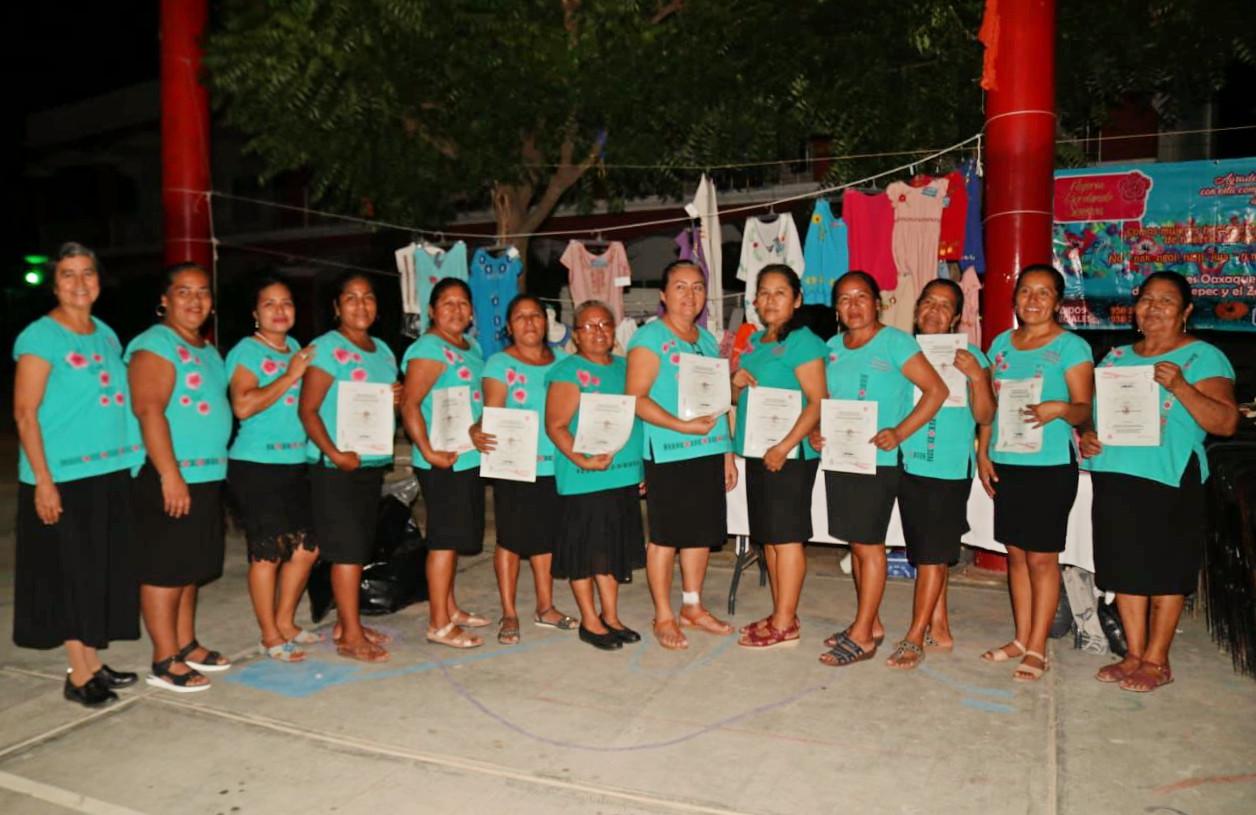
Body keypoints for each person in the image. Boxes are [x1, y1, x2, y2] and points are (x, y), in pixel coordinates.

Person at [1080, 272, 1238, 692]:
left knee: (1165, 571)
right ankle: (1133, 654)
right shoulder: (1114, 358)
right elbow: (1095, 418)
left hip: (1168, 476)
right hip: (1115, 475)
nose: (1153, 307)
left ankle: (1158, 659)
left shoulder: (1203, 357)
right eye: (1146, 299)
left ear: (1185, 312)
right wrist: (1089, 436)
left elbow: (1225, 422)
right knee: (1125, 570)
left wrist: (1181, 386)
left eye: (1166, 301)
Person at [12, 243, 143, 706]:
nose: (79, 283)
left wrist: (134, 455)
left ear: (99, 281)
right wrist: (43, 480)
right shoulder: (40, 336)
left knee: (99, 572)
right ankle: (78, 672)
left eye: (88, 273)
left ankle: (93, 660)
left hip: (108, 469)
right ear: (54, 284)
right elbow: (25, 413)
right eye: (68, 275)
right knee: (72, 574)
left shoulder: (106, 333)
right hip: (64, 475)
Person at [811, 271, 948, 668]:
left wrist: (900, 432)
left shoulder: (896, 342)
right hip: (841, 459)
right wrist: (819, 433)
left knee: (870, 546)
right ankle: (869, 623)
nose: (853, 306)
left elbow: (937, 391)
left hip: (879, 461)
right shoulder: (832, 347)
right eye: (844, 299)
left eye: (861, 297)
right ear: (836, 308)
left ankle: (862, 636)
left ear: (878, 303)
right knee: (855, 544)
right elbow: (825, 401)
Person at [977, 264, 1094, 682]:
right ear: (1015, 299)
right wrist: (983, 450)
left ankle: (1039, 647)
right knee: (1016, 557)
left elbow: (1084, 408)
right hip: (1008, 462)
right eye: (1026, 291)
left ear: (1058, 302)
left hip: (1050, 467)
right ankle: (1022, 638)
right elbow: (990, 405)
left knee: (1043, 559)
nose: (1033, 300)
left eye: (1044, 293)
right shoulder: (1001, 345)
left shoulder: (1071, 347)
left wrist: (1060, 409)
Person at [127, 262, 233, 692]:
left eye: (203, 292)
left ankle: (186, 643)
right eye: (184, 292)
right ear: (165, 300)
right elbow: (149, 410)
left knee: (190, 566)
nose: (195, 300)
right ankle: (164, 658)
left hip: (206, 473)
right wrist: (169, 474)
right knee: (164, 569)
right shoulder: (155, 345)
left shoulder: (207, 350)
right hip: (167, 474)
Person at [626, 260, 737, 650]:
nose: (690, 295)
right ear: (663, 294)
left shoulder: (707, 340)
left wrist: (726, 451)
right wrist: (681, 426)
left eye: (697, 287)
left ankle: (692, 606)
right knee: (666, 537)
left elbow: (719, 403)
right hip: (669, 451)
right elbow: (635, 399)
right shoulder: (649, 339)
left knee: (700, 535)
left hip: (707, 450)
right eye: (680, 287)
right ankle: (664, 615)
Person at [888, 278, 995, 669]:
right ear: (917, 309)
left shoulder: (972, 357)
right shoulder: (902, 350)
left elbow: (985, 416)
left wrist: (977, 377)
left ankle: (914, 637)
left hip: (947, 467)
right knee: (928, 548)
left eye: (944, 306)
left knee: (932, 554)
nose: (934, 311)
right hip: (905, 460)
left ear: (955, 317)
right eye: (928, 303)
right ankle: (941, 627)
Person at [299, 273, 400, 663]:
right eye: (351, 298)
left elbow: (380, 404)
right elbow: (307, 410)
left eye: (368, 297)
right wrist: (335, 453)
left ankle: (347, 622)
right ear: (337, 307)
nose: (361, 305)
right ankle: (350, 636)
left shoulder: (383, 352)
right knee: (346, 550)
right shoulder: (326, 348)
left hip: (369, 461)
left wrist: (396, 398)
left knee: (358, 545)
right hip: (335, 465)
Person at [731, 264, 827, 650]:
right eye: (764, 293)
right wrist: (734, 383)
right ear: (754, 300)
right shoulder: (754, 343)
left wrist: (784, 447)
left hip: (789, 455)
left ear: (797, 299)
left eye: (780, 293)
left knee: (786, 539)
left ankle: (786, 622)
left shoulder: (804, 341)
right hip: (758, 450)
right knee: (769, 538)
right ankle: (780, 612)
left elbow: (818, 401)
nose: (771, 300)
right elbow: (744, 398)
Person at [473, 294, 577, 645]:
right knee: (511, 540)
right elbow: (493, 409)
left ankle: (545, 608)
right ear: (509, 325)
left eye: (536, 315)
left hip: (556, 465)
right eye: (520, 317)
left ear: (547, 322)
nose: (529, 322)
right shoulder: (499, 364)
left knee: (546, 538)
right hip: (514, 466)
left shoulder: (564, 362)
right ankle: (509, 612)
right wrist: (478, 427)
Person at [225, 276, 319, 662]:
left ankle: (286, 621)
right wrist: (291, 375)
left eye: (287, 303)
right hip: (256, 464)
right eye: (270, 304)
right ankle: (269, 635)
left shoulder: (295, 348)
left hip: (295, 461)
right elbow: (243, 406)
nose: (280, 311)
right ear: (255, 313)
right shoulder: (246, 351)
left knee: (308, 547)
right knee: (267, 553)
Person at [545, 300, 646, 651]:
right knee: (585, 551)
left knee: (611, 551)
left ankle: (612, 616)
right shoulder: (567, 371)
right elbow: (555, 426)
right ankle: (589, 620)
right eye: (589, 326)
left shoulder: (625, 368)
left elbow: (635, 422)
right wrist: (583, 459)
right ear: (575, 335)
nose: (598, 331)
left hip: (620, 475)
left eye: (604, 324)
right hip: (584, 476)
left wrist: (640, 466)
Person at [401, 278, 489, 649]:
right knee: (443, 539)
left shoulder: (472, 347)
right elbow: (409, 404)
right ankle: (438, 623)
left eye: (463, 303)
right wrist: (428, 450)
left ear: (471, 312)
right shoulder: (429, 348)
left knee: (452, 539)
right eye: (447, 303)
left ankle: (449, 607)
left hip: (466, 455)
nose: (456, 309)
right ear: (433, 312)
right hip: (440, 458)